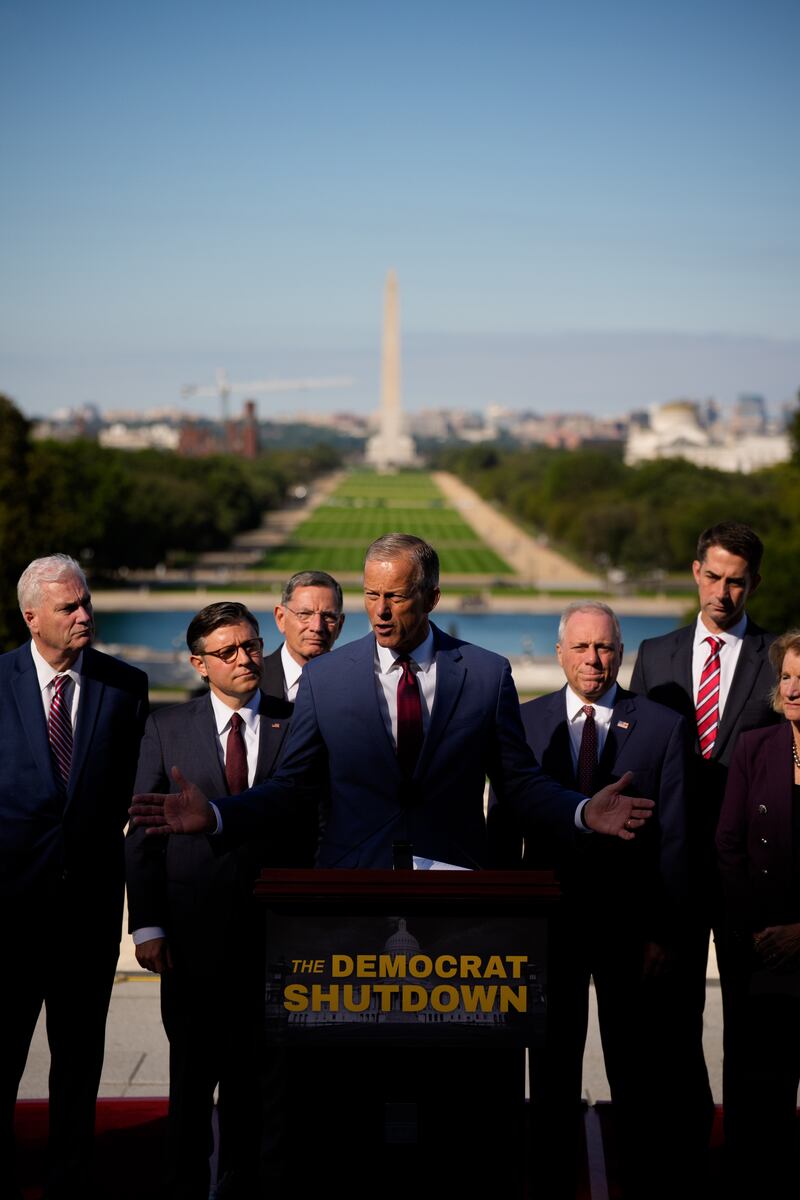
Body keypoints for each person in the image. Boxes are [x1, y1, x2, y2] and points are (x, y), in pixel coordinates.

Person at [130, 533, 654, 865]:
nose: (379, 611)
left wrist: (582, 811)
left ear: (432, 598)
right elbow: (291, 787)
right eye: (371, 595)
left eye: (396, 597)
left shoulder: (487, 674)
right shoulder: (327, 678)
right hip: (354, 878)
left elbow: (518, 782)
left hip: (453, 876)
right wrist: (218, 814)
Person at [125, 596, 342, 1199]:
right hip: (191, 941)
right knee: (191, 1082)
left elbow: (322, 820)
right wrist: (148, 925)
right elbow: (143, 831)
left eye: (251, 645)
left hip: (278, 937)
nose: (245, 659)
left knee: (265, 1086)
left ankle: (246, 1188)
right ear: (200, 664)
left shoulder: (299, 721)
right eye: (228, 652)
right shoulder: (166, 727)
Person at [489, 601, 688, 1198]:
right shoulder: (525, 724)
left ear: (621, 653)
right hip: (548, 928)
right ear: (559, 653)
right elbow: (503, 829)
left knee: (635, 1073)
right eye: (580, 647)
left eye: (603, 647)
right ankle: (552, 1182)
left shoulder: (661, 726)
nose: (593, 659)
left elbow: (674, 839)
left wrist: (663, 932)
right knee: (551, 1074)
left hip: (629, 929)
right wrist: (506, 924)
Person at [629, 520, 779, 1168]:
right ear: (695, 572)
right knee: (674, 1020)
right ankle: (684, 1150)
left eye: (736, 582)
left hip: (750, 873)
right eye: (713, 577)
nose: (722, 593)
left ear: (754, 583)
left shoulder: (778, 659)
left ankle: (751, 1152)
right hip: (676, 869)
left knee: (752, 1023)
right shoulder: (654, 654)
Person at [0, 554, 148, 1199]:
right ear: (32, 617)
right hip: (9, 914)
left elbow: (135, 796)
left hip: (88, 913)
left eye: (86, 601)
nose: (85, 614)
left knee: (79, 1063)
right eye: (69, 607)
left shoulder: (126, 685)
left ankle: (69, 1183)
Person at [716, 630, 800, 1198]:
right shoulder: (755, 746)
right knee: (759, 1091)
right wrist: (761, 932)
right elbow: (728, 844)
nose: (792, 689)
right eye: (787, 676)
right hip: (761, 946)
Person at [263, 569, 345, 703]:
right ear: (281, 618)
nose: (317, 627)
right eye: (304, 614)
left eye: (328, 616)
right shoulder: (252, 681)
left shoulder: (356, 683)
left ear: (340, 625)